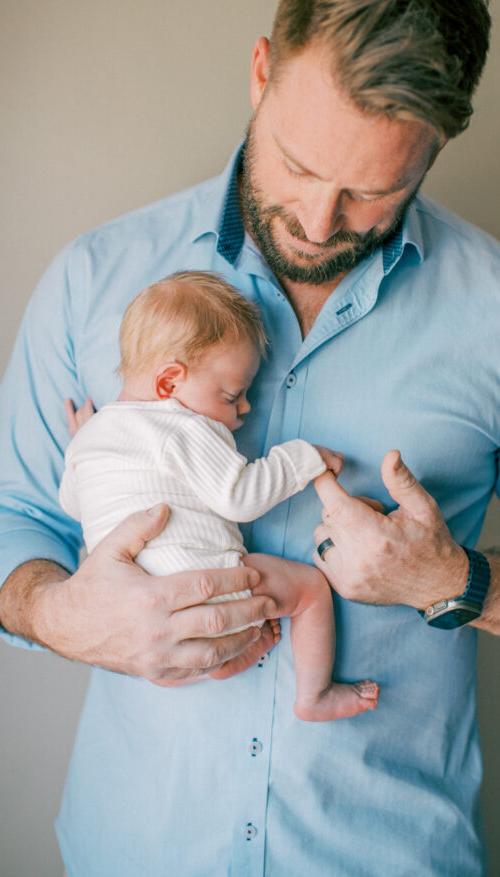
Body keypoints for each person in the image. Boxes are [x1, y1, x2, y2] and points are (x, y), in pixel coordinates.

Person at [0, 0, 500, 877]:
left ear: (437, 145)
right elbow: (3, 523)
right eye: (299, 167)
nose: (317, 222)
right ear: (260, 73)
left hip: (384, 864)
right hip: (138, 858)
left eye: (372, 192)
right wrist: (61, 614)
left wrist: (453, 580)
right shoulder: (93, 278)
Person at [59, 269, 378, 721]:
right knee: (310, 590)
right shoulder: (183, 424)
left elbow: (73, 505)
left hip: (141, 612)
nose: (244, 408)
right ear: (169, 384)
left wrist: (82, 445)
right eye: (232, 396)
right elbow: (240, 497)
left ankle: (222, 662)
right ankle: (314, 695)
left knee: (163, 660)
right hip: (209, 588)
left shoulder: (87, 441)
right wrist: (301, 460)